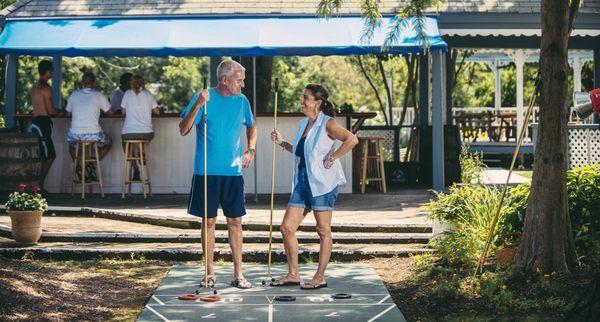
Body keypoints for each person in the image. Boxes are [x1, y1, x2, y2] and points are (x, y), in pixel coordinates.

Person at [269, 84, 358, 289]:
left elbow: (352, 139)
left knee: (322, 229)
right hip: (302, 182)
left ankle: (319, 276)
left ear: (317, 103)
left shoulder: (328, 123)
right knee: (287, 227)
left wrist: (333, 157)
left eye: (306, 98)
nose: (302, 101)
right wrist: (282, 142)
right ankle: (293, 274)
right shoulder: (303, 124)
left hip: (323, 183)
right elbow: (302, 153)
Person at [179, 60, 257, 289]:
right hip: (206, 171)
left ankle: (238, 274)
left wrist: (250, 149)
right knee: (209, 221)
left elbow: (252, 125)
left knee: (235, 221)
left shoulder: (242, 101)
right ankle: (209, 272)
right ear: (224, 80)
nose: (242, 85)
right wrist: (198, 105)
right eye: (239, 80)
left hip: (232, 171)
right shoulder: (203, 97)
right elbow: (183, 129)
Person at [65, 72, 113, 180]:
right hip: (94, 135)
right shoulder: (98, 94)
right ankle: (91, 164)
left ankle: (80, 166)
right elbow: (110, 112)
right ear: (94, 83)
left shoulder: (74, 95)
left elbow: (67, 114)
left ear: (82, 82)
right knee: (109, 142)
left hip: (75, 135)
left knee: (72, 145)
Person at [121, 74, 160, 180]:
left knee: (126, 144)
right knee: (146, 137)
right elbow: (157, 112)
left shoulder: (127, 94)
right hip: (146, 133)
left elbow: (123, 111)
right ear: (143, 83)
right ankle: (142, 150)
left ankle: (135, 168)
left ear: (131, 83)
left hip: (129, 132)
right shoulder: (148, 94)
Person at [29, 60, 59, 190]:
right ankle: (38, 185)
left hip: (35, 122)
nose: (52, 73)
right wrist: (60, 111)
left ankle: (37, 185)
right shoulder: (46, 88)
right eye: (51, 70)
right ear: (47, 71)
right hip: (43, 123)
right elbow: (50, 111)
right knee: (49, 155)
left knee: (42, 155)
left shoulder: (34, 87)